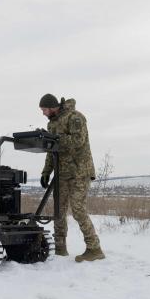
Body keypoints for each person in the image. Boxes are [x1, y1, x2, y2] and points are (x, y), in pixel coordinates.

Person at [39, 93, 105, 262]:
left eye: (45, 109)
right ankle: (60, 249)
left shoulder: (75, 117)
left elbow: (78, 141)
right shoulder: (51, 124)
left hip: (79, 172)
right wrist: (46, 172)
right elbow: (51, 151)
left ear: (52, 106)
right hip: (62, 174)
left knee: (78, 210)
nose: (44, 113)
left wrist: (55, 138)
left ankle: (94, 248)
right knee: (58, 212)